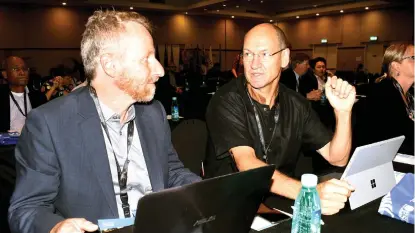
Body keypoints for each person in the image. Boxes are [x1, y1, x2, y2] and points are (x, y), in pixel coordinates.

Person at [8, 10, 200, 233]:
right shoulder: (50, 123)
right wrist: (55, 227)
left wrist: (206, 193)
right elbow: (26, 208)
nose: (159, 70)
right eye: (146, 59)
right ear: (110, 65)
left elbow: (172, 172)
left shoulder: (153, 113)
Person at [205, 23, 356, 215]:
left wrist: (343, 112)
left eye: (264, 54)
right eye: (248, 54)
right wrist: (309, 193)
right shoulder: (226, 99)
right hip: (229, 204)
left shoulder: (296, 103)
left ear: (284, 58)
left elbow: (338, 158)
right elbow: (247, 165)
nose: (254, 63)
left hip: (278, 200)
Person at [357, 43, 414, 155]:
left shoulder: (410, 94)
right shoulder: (382, 94)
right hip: (385, 160)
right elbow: (392, 140)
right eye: (413, 57)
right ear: (396, 66)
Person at [0, 56, 46, 133]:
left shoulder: (38, 97)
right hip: (5, 143)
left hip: (31, 142)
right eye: (16, 69)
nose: (22, 73)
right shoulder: (1, 95)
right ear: (5, 74)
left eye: (25, 69)